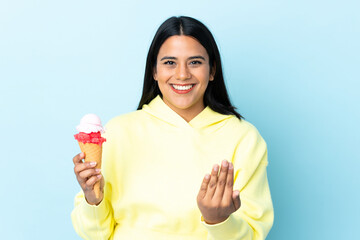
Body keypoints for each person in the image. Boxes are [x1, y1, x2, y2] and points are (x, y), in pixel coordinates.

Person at [71, 16, 274, 240]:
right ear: (154, 71)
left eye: (195, 62)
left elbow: (254, 234)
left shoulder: (243, 137)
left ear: (212, 70)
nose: (182, 74)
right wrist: (93, 198)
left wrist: (218, 221)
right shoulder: (118, 131)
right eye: (170, 62)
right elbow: (95, 235)